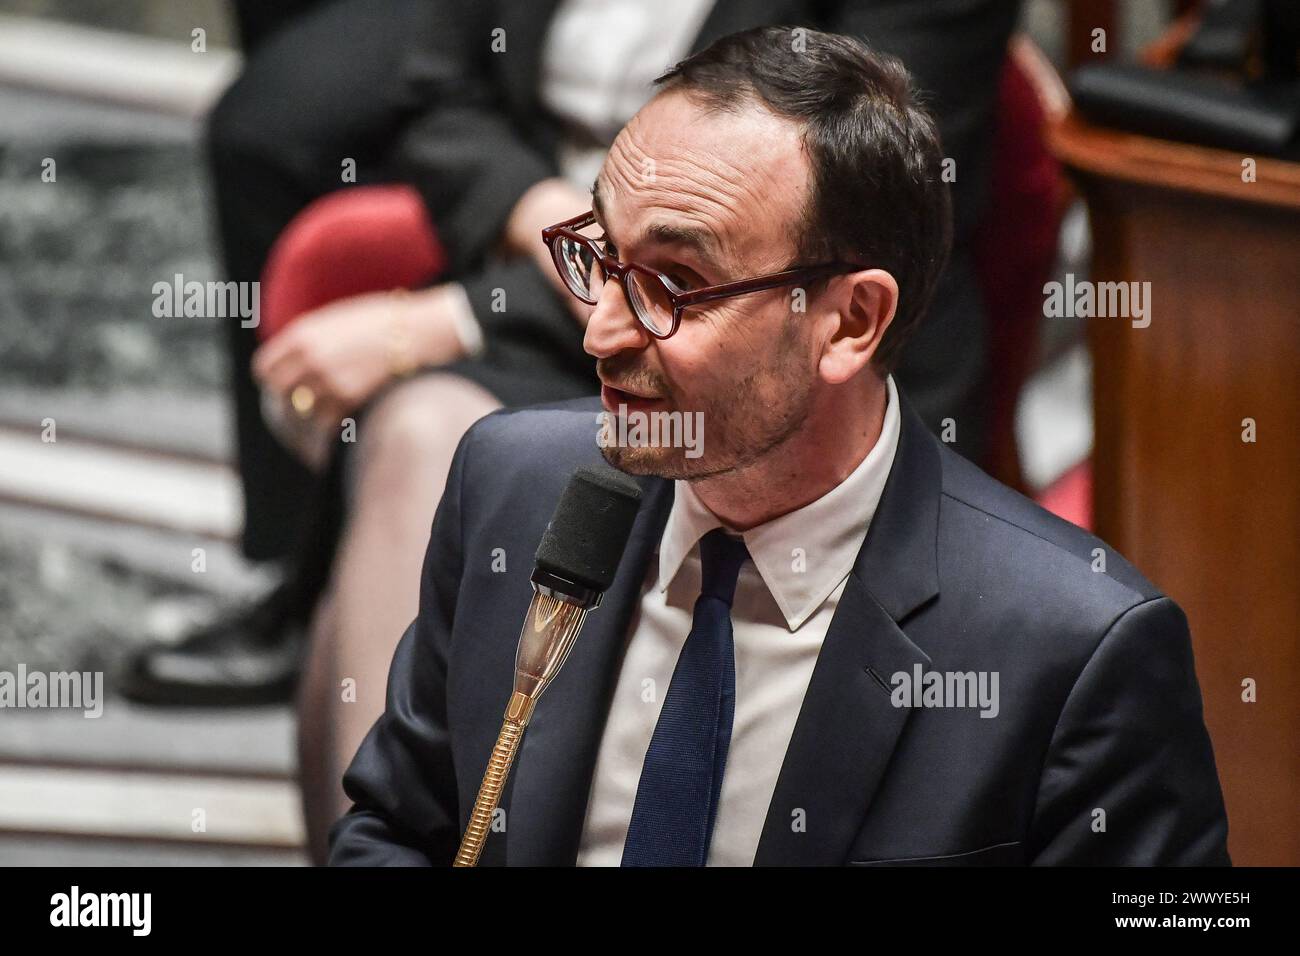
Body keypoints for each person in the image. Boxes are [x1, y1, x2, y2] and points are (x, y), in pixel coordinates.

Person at [329, 27, 1229, 867]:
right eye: (603, 256)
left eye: (674, 284)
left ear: (850, 321)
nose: (601, 331)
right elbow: (399, 826)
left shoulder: (1071, 653)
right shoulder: (513, 488)